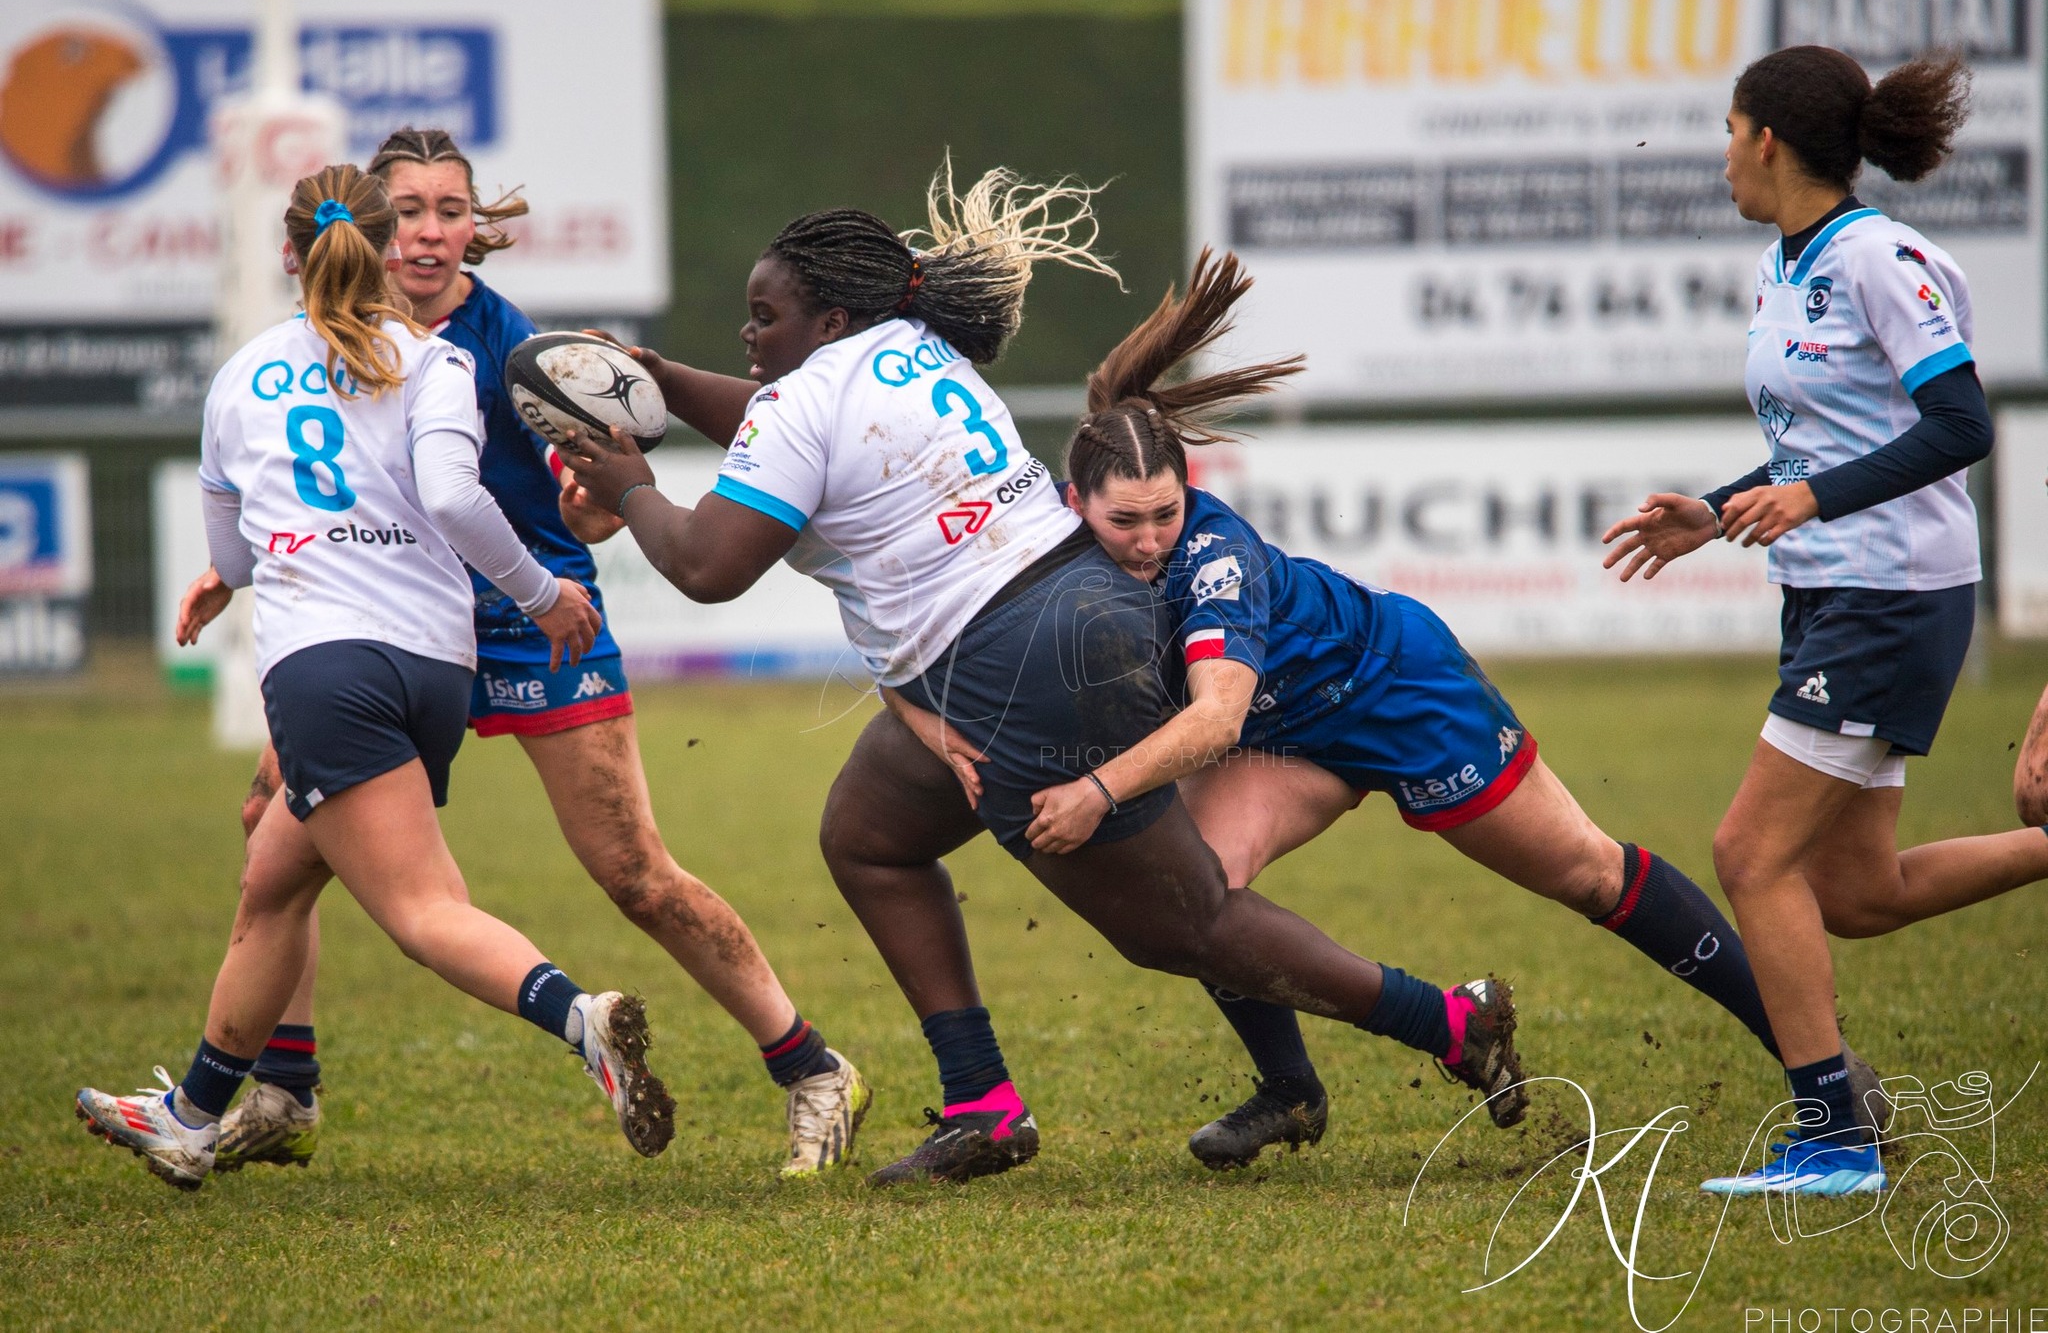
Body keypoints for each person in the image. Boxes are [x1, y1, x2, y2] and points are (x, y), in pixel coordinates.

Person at [557, 161, 1529, 1189]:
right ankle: (981, 1101)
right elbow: (773, 417)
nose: (748, 337)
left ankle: (1450, 1022)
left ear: (830, 318)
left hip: (1007, 660)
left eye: (764, 316)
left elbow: (708, 566)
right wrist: (658, 380)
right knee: (870, 836)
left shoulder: (799, 402)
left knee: (1186, 923)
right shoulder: (904, 344)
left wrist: (632, 487)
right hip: (1072, 608)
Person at [888, 249, 1885, 1170]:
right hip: (1291, 737)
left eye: (1165, 512)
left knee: (1586, 871)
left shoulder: (1213, 561)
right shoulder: (1054, 545)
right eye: (1124, 520)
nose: (1149, 538)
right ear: (1073, 502)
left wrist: (1099, 790)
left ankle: (1822, 1066)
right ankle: (1289, 1090)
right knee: (1203, 894)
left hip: (1391, 690)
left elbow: (1216, 719)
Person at [172, 127, 869, 1180]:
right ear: (370, 225)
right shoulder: (321, 338)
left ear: (475, 228)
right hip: (387, 623)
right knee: (271, 824)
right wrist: (234, 570)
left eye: (452, 211)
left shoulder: (515, 352)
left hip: (528, 621)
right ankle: (283, 1086)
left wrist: (587, 512)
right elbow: (294, 482)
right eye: (408, 211)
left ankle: (813, 1067)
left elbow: (586, 518)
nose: (431, 233)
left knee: (634, 873)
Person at [77, 164, 674, 1189]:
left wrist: (229, 574)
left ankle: (578, 1017)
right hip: (433, 666)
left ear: (290, 255)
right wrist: (539, 593)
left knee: (421, 911)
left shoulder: (245, 373)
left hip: (326, 665)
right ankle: (199, 1113)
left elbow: (242, 538)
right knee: (271, 876)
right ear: (377, 249)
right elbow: (452, 494)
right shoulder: (433, 359)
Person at [1601, 46, 2048, 1196]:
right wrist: (1717, 506)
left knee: (1749, 854)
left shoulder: (1876, 259)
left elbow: (1958, 423)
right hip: (1830, 590)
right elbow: (1821, 442)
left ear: (1763, 140)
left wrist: (1810, 497)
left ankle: (1833, 1139)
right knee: (1852, 892)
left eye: (1724, 131)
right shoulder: (1782, 264)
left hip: (1887, 595)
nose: (1718, 154)